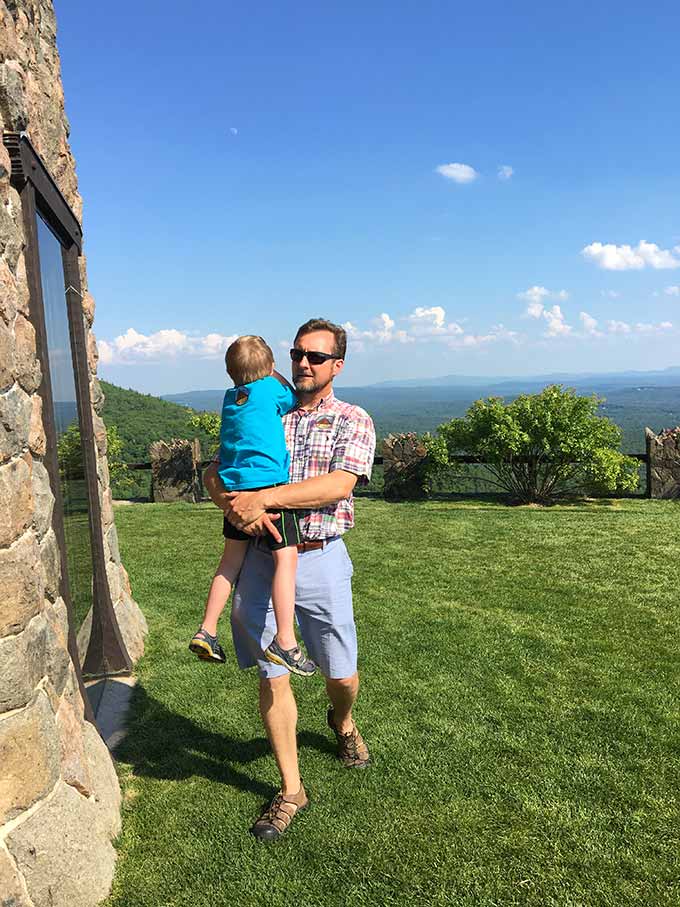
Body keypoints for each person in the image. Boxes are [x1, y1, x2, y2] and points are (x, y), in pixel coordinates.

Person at [203, 317, 376, 842]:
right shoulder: (259, 404)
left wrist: (266, 499)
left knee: (341, 674)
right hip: (261, 557)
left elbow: (339, 484)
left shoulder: (352, 418)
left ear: (336, 366)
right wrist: (231, 503)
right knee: (271, 674)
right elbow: (218, 468)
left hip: (319, 557)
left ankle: (342, 722)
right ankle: (292, 789)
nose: (304, 363)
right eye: (298, 353)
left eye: (316, 357)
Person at [189, 335, 316, 677]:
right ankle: (286, 640)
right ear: (270, 367)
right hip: (268, 488)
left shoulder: (231, 398)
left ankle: (207, 630)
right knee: (286, 560)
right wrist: (274, 374)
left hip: (234, 492)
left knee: (229, 564)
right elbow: (292, 396)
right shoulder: (269, 390)